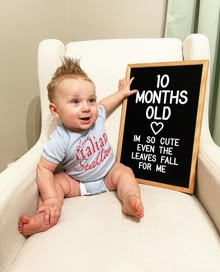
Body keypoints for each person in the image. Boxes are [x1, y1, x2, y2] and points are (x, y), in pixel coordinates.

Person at [19, 57, 144, 236]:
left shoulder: (97, 116)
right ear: (55, 110)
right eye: (75, 102)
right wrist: (51, 198)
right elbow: (44, 169)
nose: (86, 107)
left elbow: (106, 104)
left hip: (107, 174)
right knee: (56, 182)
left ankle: (130, 199)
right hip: (77, 183)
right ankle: (46, 216)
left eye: (91, 100)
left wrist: (122, 93)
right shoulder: (60, 139)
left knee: (125, 172)